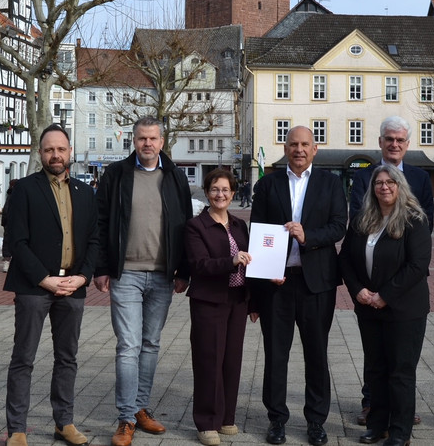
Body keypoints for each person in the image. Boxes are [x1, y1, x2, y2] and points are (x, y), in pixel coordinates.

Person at [94, 116, 194, 446]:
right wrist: (101, 268)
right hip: (127, 274)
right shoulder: (116, 174)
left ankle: (140, 409)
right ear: (133, 141)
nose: (147, 144)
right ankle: (125, 418)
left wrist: (183, 270)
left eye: (153, 138)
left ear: (163, 142)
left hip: (163, 275)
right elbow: (101, 220)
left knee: (150, 344)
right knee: (129, 345)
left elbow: (185, 225)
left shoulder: (176, 177)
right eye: (141, 138)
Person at [249, 125, 347, 446]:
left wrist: (308, 237)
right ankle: (277, 419)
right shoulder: (267, 183)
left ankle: (316, 421)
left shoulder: (331, 184)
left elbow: (337, 227)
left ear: (315, 149)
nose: (299, 150)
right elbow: (258, 231)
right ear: (285, 147)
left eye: (305, 144)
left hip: (316, 284)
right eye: (293, 144)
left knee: (316, 355)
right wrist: (266, 271)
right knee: (276, 355)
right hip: (276, 283)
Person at [3, 124, 99, 446]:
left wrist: (83, 277)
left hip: (73, 286)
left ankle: (64, 423)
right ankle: (17, 429)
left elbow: (94, 241)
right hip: (35, 287)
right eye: (49, 149)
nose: (55, 155)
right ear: (41, 153)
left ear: (70, 152)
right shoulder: (25, 190)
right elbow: (16, 240)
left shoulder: (85, 193)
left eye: (61, 149)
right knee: (24, 358)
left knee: (67, 358)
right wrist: (44, 279)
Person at [347, 116, 433, 426]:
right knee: (375, 360)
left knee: (400, 361)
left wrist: (393, 285)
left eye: (400, 140)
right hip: (369, 282)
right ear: (381, 142)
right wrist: (363, 287)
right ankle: (373, 406)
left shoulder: (421, 179)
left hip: (402, 286)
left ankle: (401, 412)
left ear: (407, 144)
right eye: (389, 139)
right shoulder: (365, 176)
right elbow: (359, 223)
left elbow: (424, 227)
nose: (394, 144)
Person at [184, 169, 253, 446]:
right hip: (209, 301)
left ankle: (226, 417)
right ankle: (206, 422)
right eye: (214, 189)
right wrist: (232, 260)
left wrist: (255, 302)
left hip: (237, 300)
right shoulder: (196, 226)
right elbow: (199, 265)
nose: (220, 195)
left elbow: (252, 263)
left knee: (231, 360)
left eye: (225, 190)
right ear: (207, 192)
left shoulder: (239, 225)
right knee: (209, 360)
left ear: (233, 193)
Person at [1, 179, 19, 273]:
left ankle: (7, 263)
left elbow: (5, 211)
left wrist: (4, 223)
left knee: (7, 242)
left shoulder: (10, 195)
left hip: (9, 223)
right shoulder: (18, 195)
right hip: (16, 222)